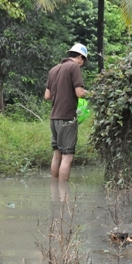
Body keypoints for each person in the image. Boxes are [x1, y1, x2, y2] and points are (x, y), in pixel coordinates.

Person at [44, 43, 88, 182]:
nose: (81, 65)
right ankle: (63, 195)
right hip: (67, 118)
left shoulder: (54, 69)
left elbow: (47, 96)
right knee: (67, 156)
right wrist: (93, 94)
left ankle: (55, 192)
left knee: (57, 155)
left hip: (54, 118)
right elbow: (80, 93)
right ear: (80, 57)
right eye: (83, 61)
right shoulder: (73, 67)